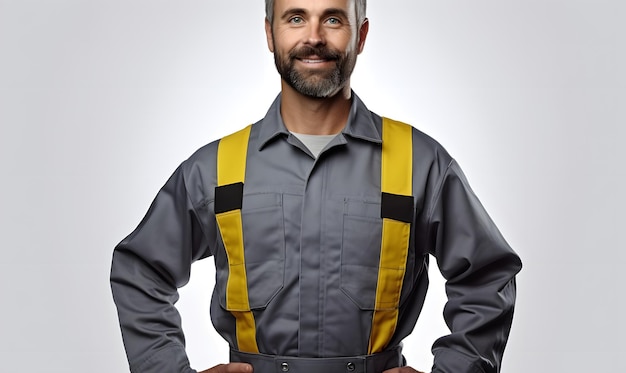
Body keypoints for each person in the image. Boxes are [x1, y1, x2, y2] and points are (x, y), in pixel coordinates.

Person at [110, 0, 522, 372]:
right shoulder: (214, 169)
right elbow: (141, 268)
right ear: (270, 33)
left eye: (333, 18)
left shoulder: (421, 163)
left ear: (360, 35)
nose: (313, 37)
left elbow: (486, 275)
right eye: (295, 18)